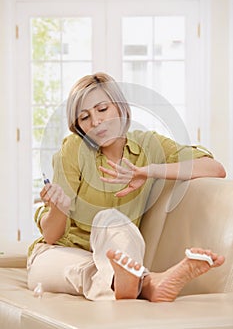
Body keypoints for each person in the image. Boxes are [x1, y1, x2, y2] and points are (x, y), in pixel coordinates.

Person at [27, 72, 226, 302]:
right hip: (60, 254)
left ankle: (131, 282)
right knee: (83, 270)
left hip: (118, 253)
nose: (96, 122)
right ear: (79, 126)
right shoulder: (73, 149)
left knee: (113, 220)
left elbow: (214, 169)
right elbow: (51, 236)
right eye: (84, 117)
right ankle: (149, 284)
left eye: (102, 109)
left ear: (120, 107)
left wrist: (148, 170)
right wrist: (59, 209)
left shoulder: (149, 145)